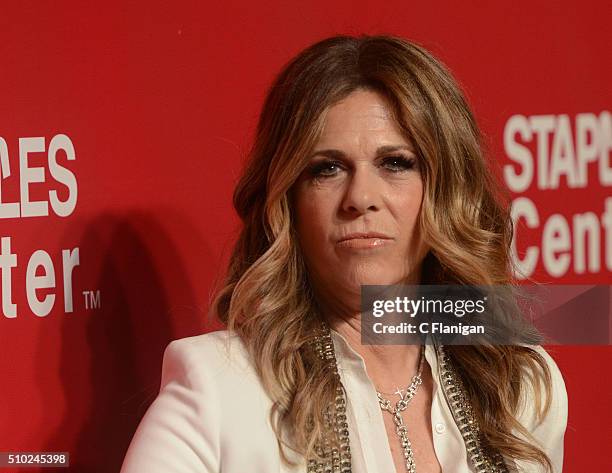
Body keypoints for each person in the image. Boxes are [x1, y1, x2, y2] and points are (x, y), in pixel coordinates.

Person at [120, 34, 567, 473]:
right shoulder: (217, 391)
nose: (361, 197)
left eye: (396, 163)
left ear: (446, 190)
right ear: (289, 202)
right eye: (327, 169)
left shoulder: (520, 385)